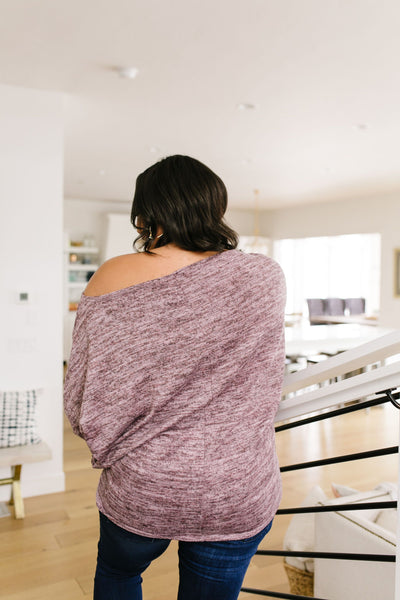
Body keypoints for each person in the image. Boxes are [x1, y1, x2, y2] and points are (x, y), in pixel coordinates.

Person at [64, 154, 286, 600]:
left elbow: (81, 393)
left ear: (146, 214)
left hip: (145, 483)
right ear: (214, 207)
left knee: (119, 574)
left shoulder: (114, 274)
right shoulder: (264, 275)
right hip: (236, 485)